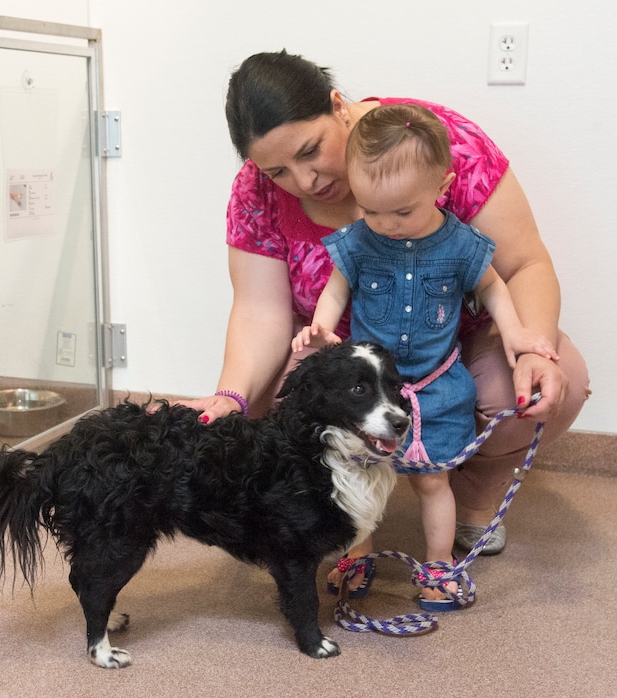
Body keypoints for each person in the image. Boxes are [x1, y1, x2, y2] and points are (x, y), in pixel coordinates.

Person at [182, 50, 590, 596]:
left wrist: (533, 347)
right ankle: (346, 522)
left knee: (545, 388)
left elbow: (520, 266)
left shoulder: (428, 141)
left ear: (337, 107)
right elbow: (260, 311)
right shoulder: (257, 194)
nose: (303, 180)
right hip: (346, 362)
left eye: (310, 151)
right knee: (271, 408)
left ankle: (470, 493)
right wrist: (231, 396)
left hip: (446, 353)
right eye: (278, 170)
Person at [291, 103, 558, 608]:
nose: (385, 224)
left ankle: (438, 566)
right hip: (369, 391)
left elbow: (497, 289)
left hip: (435, 387)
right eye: (370, 210)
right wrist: (322, 327)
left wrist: (518, 334)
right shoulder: (360, 242)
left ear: (442, 184)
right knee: (357, 475)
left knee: (433, 483)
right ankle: (359, 553)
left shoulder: (462, 245)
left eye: (402, 211)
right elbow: (336, 290)